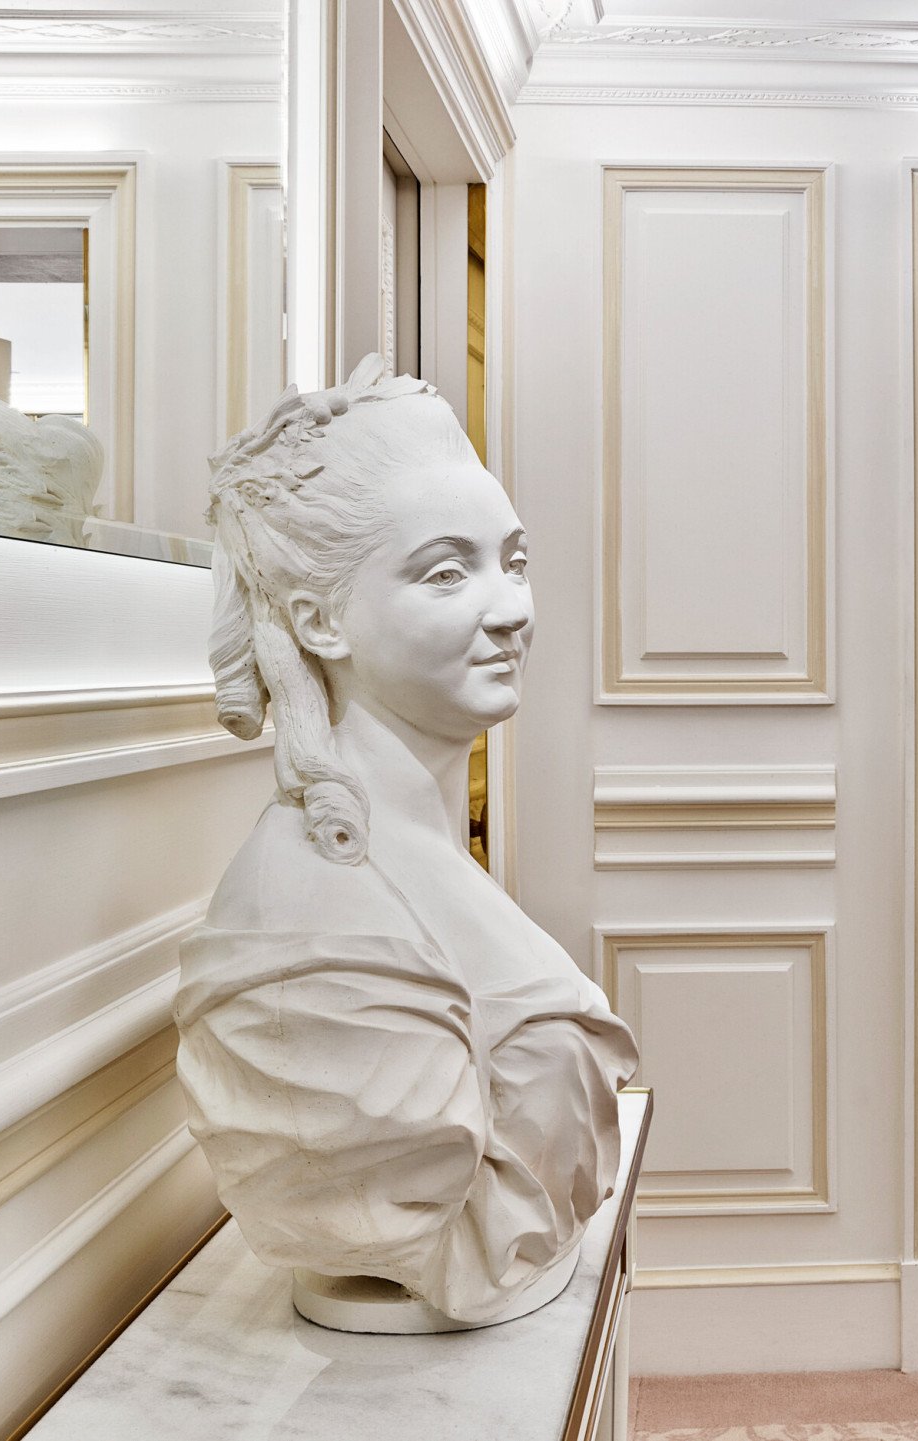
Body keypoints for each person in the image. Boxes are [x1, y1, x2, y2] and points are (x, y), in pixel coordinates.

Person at [175, 355, 638, 1329]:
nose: (512, 608)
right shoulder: (309, 927)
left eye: (513, 560)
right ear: (317, 619)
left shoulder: (417, 857)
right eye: (446, 572)